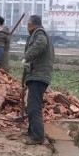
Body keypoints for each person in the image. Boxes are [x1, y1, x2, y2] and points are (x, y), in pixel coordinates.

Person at [21, 15, 54, 145]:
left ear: (30, 24)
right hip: (36, 75)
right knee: (32, 105)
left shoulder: (39, 33)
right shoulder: (38, 34)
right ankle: (32, 131)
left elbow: (40, 43)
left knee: (34, 107)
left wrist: (26, 57)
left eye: (27, 24)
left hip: (38, 76)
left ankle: (37, 136)